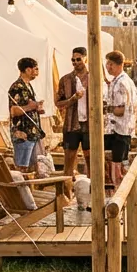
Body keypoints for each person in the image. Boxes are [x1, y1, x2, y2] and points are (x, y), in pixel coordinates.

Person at [104, 50, 137, 189]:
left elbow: (120, 110)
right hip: (123, 129)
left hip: (119, 129)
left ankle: (118, 193)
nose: (108, 67)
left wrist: (106, 109)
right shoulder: (123, 80)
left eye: (110, 64)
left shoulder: (121, 84)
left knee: (117, 165)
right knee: (119, 163)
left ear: (118, 65)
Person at [56, 46, 91, 178]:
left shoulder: (94, 78)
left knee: (91, 159)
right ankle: (67, 188)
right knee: (69, 160)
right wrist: (72, 99)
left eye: (78, 59)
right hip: (71, 124)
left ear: (85, 59)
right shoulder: (65, 80)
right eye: (73, 60)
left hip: (89, 125)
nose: (75, 62)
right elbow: (58, 103)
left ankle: (92, 187)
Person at [7, 57, 45, 169]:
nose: (37, 72)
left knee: (33, 167)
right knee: (22, 167)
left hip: (32, 133)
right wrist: (30, 106)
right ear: (28, 70)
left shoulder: (27, 86)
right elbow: (14, 111)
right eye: (35, 69)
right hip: (23, 133)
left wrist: (36, 108)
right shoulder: (17, 87)